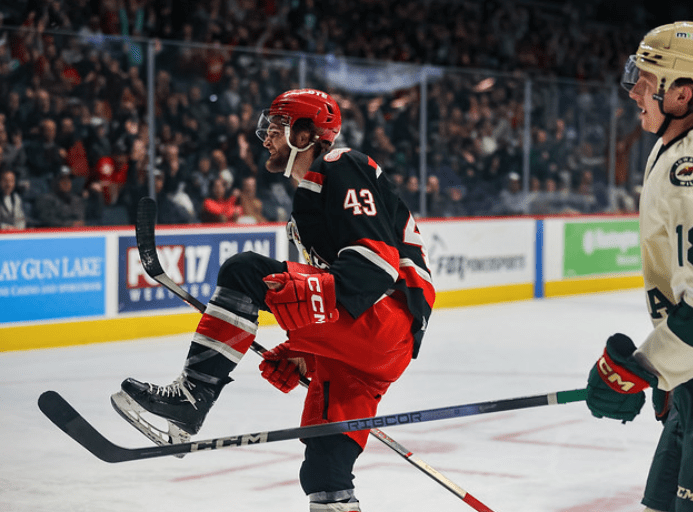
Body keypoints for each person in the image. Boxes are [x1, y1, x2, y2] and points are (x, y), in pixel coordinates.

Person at [111, 89, 435, 512]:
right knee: (324, 473)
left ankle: (192, 397)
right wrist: (304, 349)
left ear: (305, 134)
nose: (265, 136)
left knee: (245, 271)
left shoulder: (341, 164)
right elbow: (335, 285)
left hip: (386, 319)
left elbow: (375, 266)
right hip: (367, 351)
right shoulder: (309, 198)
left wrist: (314, 307)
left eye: (276, 127)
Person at [585, 22, 693, 512]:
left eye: (646, 81)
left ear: (683, 93)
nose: (634, 91)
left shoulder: (687, 168)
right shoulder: (671, 147)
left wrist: (648, 370)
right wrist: (671, 374)